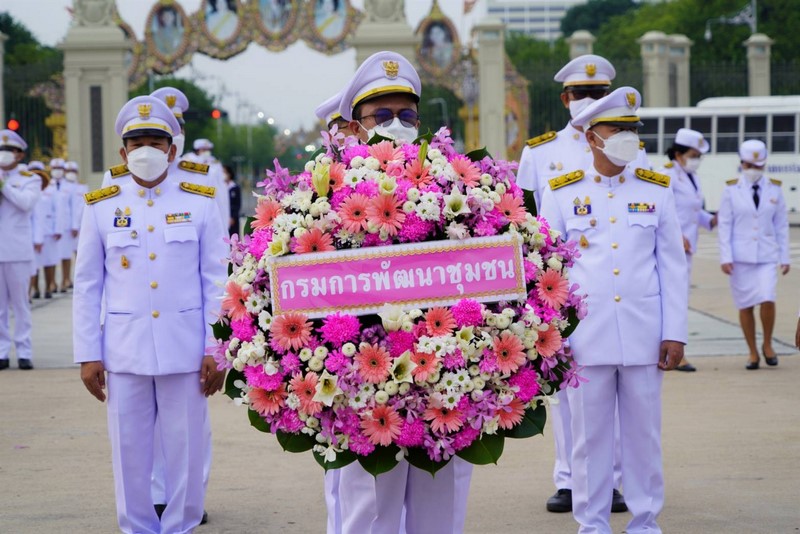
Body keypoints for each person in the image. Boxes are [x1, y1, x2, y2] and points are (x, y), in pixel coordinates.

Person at [73, 95, 227, 533]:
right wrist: (88, 353)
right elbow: (87, 284)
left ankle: (181, 527)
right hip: (123, 350)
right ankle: (136, 528)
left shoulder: (200, 198)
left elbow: (215, 279)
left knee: (186, 453)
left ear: (172, 149)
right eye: (136, 141)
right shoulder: (102, 202)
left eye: (155, 141)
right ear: (122, 152)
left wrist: (216, 346)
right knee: (128, 454)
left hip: (185, 350)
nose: (145, 149)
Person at [540, 87, 688, 534]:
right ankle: (593, 524)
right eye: (615, 129)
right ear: (591, 137)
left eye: (631, 129)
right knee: (589, 441)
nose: (626, 137)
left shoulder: (657, 188)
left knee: (644, 438)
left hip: (646, 335)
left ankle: (645, 522)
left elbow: (672, 267)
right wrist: (552, 337)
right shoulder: (562, 190)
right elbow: (548, 269)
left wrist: (675, 332)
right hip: (585, 338)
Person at [336, 51, 472, 534]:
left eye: (407, 115)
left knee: (441, 505)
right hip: (364, 377)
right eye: (383, 116)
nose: (397, 125)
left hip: (446, 378)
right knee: (368, 507)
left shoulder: (458, 182)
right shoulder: (326, 194)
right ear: (354, 127)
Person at [516, 54, 628, 515]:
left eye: (599, 94)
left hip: (613, 284)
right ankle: (569, 478)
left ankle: (615, 481)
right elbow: (521, 217)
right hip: (558, 290)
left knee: (618, 391)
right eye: (581, 94)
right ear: (565, 98)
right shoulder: (540, 152)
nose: (589, 102)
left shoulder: (623, 146)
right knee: (568, 390)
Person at [717, 139, 789, 370]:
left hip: (766, 255)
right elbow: (724, 225)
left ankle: (768, 344)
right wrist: (725, 256)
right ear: (742, 164)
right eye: (749, 166)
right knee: (745, 305)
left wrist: (785, 257)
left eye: (758, 166)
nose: (754, 170)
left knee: (768, 297)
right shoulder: (730, 189)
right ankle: (752, 352)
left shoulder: (775, 188)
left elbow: (781, 225)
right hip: (740, 257)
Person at [660, 128, 716, 372]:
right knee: (675, 297)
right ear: (679, 153)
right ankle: (675, 353)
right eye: (694, 154)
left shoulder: (691, 176)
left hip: (688, 246)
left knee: (680, 297)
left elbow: (692, 210)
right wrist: (677, 235)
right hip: (674, 245)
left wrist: (710, 219)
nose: (697, 159)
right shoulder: (666, 175)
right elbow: (665, 211)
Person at [0, 129, 42, 370]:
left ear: (19, 154)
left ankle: (24, 350)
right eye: (1, 150)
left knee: (20, 304)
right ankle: (2, 352)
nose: (4, 155)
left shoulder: (30, 178)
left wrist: (3, 186)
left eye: (9, 150)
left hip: (17, 250)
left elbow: (26, 203)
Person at [28, 161, 62, 300]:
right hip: (31, 232)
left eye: (38, 171)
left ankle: (49, 287)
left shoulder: (51, 189)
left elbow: (58, 210)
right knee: (33, 264)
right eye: (33, 171)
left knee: (49, 262)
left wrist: (58, 229)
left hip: (49, 231)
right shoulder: (26, 188)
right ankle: (34, 289)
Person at [223, 164, 240, 236]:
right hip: (222, 217)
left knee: (233, 238)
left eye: (225, 172)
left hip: (233, 219)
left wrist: (233, 217)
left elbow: (237, 204)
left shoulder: (235, 188)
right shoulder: (220, 188)